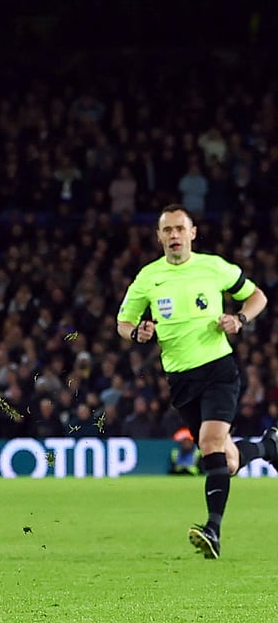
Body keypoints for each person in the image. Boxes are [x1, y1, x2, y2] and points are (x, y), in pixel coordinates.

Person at [117, 204, 278, 560]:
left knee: (209, 443)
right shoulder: (148, 277)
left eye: (180, 228)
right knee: (227, 461)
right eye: (167, 230)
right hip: (180, 379)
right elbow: (123, 322)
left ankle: (213, 531)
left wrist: (240, 319)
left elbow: (258, 297)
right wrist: (137, 332)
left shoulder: (214, 267)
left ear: (192, 233)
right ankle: (269, 447)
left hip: (219, 370)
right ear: (159, 236)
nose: (174, 235)